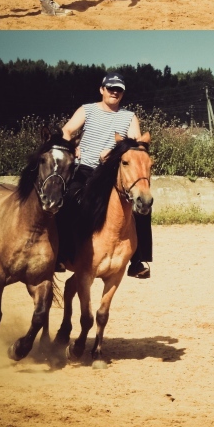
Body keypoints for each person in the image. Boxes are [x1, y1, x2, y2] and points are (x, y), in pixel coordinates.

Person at [62, 68, 151, 276]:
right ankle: (61, 254)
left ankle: (138, 261)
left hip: (111, 175)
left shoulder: (129, 117)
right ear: (102, 89)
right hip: (85, 169)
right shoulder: (88, 110)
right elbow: (67, 130)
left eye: (118, 90)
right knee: (67, 199)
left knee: (143, 204)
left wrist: (112, 154)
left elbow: (135, 145)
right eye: (110, 88)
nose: (114, 92)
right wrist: (70, 146)